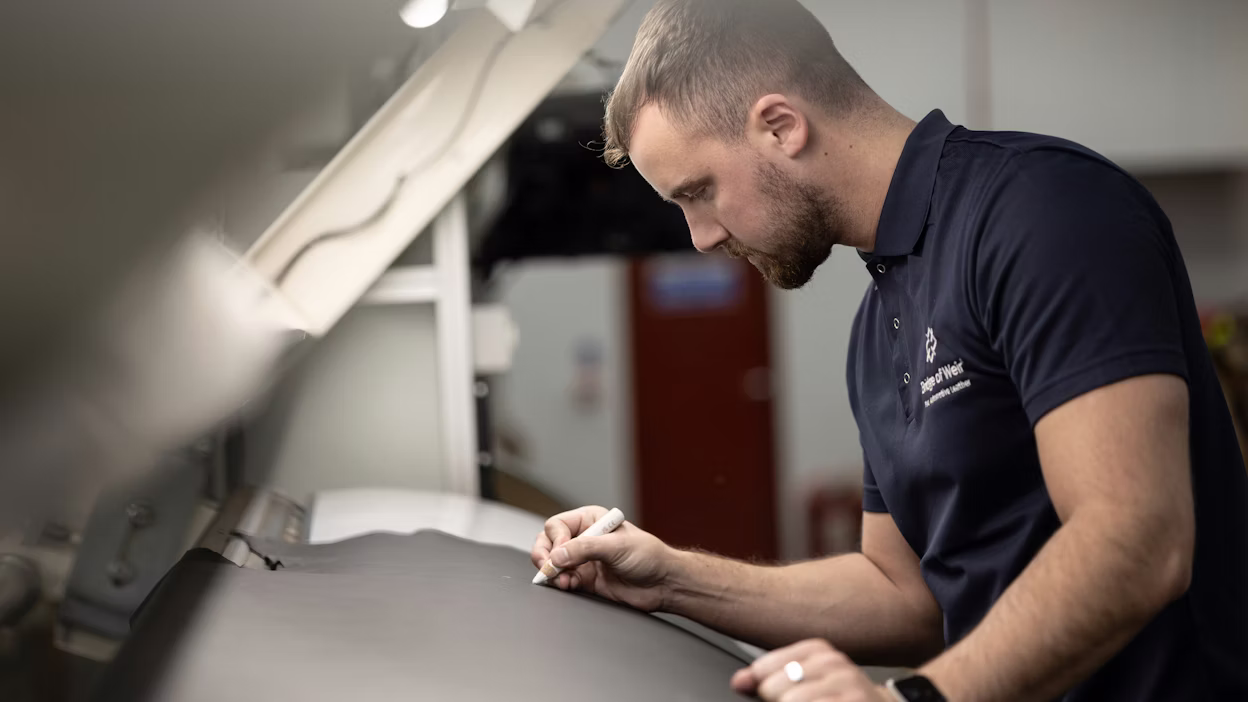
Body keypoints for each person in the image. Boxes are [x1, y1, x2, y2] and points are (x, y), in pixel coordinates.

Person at [529, 1, 1248, 700]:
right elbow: (907, 598)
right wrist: (668, 578)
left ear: (780, 126)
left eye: (701, 191)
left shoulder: (1042, 213)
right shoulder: (878, 324)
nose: (702, 238)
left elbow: (1138, 539)